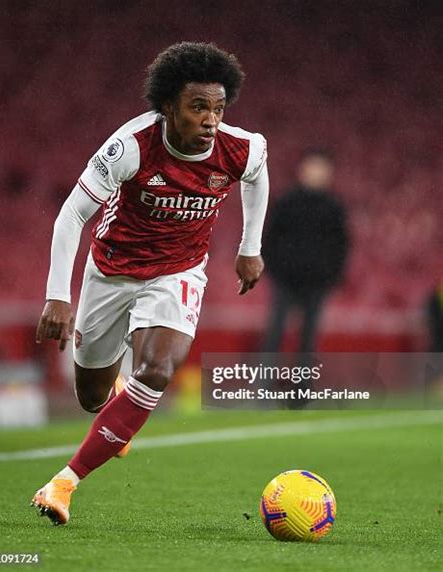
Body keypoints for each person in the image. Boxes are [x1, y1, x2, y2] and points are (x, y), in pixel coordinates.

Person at [31, 42, 269, 525]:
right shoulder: (131, 145)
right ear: (168, 107)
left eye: (218, 108)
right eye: (198, 107)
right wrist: (58, 295)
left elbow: (257, 178)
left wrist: (250, 247)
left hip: (177, 271)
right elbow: (72, 213)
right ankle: (117, 394)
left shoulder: (242, 147)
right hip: (112, 272)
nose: (210, 119)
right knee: (92, 398)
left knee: (158, 370)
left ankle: (64, 483)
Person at [262, 148, 348, 354]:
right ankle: (263, 383)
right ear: (302, 170)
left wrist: (331, 276)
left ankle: (304, 385)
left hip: (317, 282)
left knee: (308, 339)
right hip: (285, 279)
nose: (316, 173)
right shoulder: (286, 202)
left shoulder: (334, 208)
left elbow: (341, 245)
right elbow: (269, 238)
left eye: (321, 168)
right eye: (312, 167)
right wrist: (275, 270)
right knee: (275, 333)